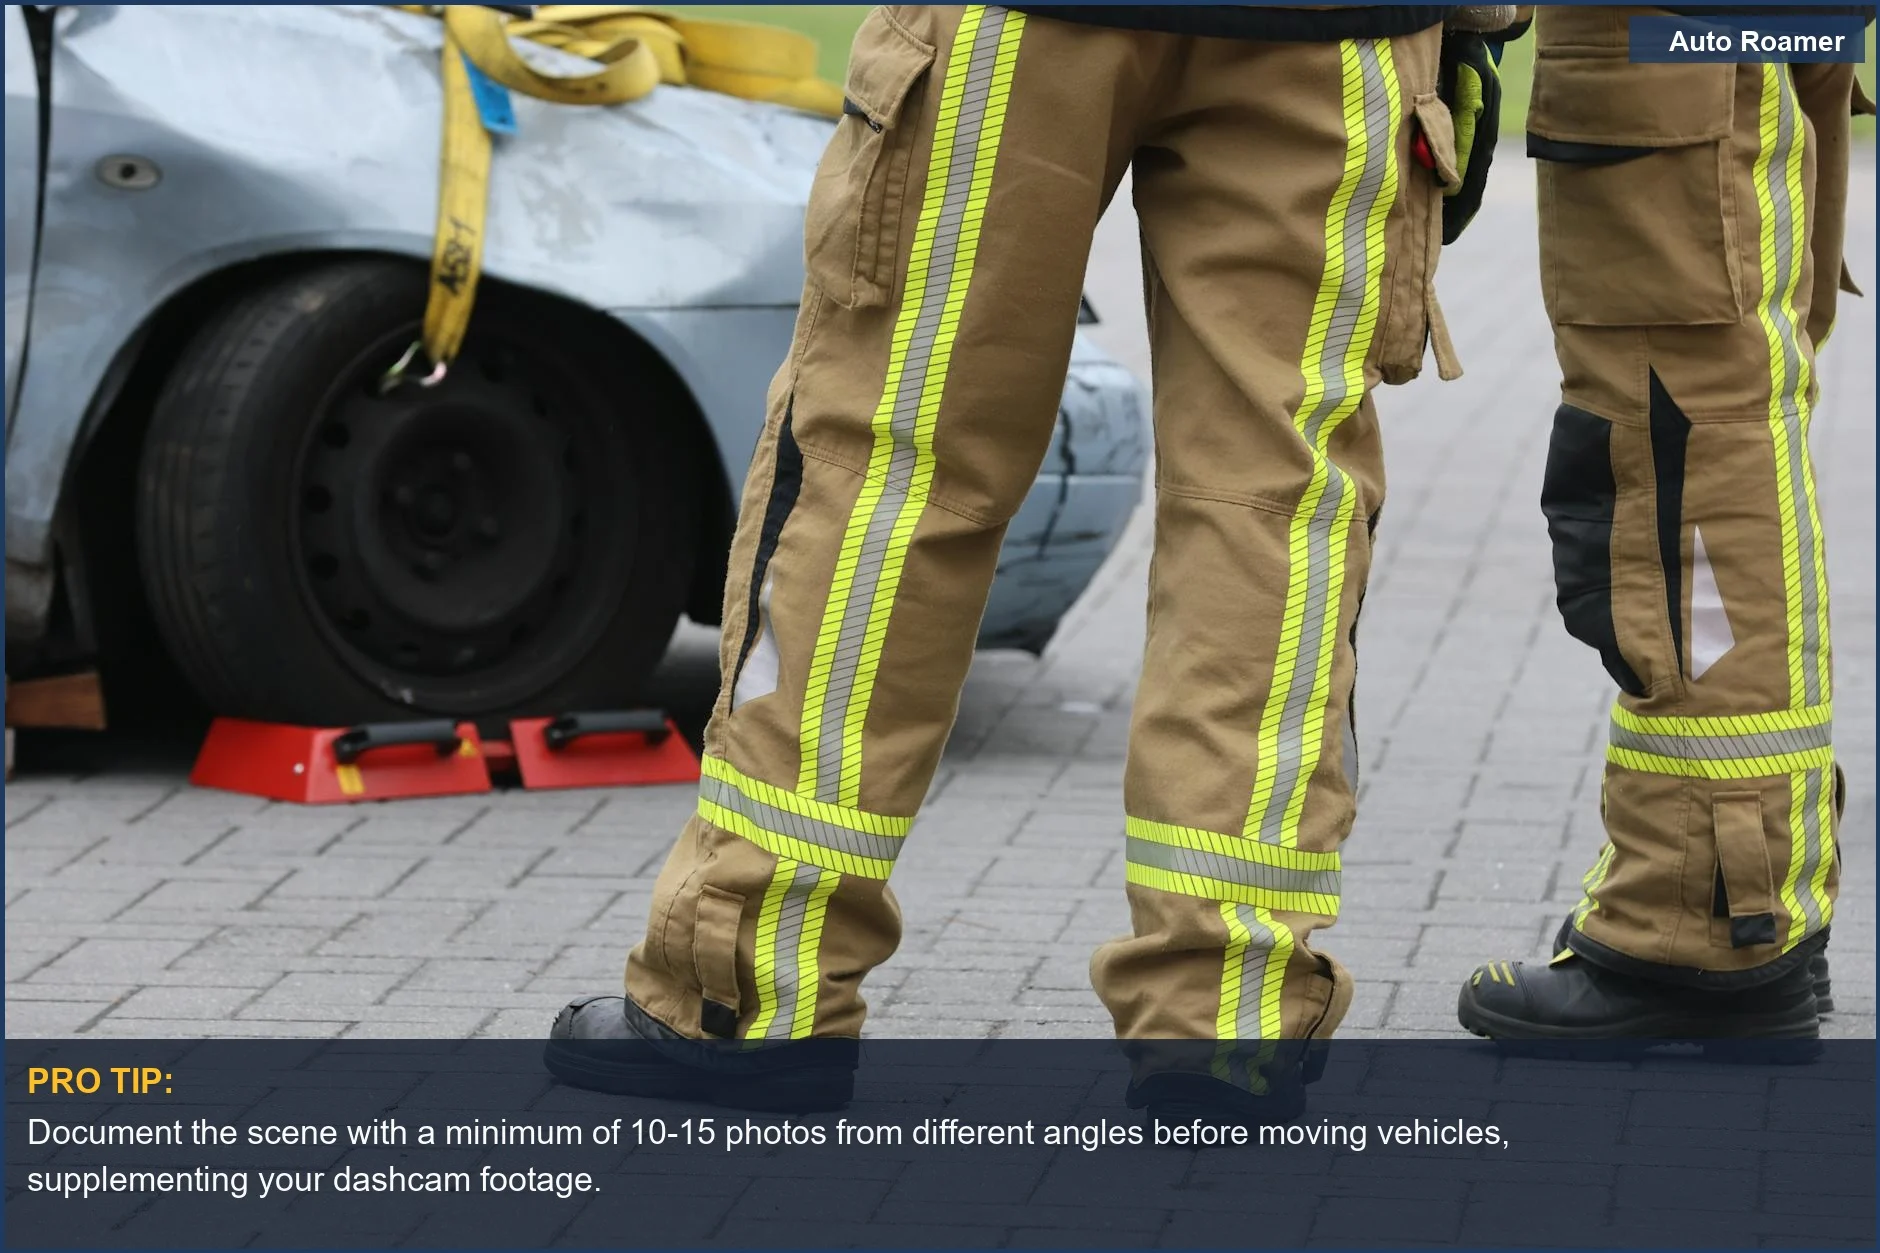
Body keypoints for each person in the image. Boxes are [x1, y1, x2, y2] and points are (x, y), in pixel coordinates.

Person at [545, 2, 1512, 1115]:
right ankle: (1227, 1021)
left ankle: (750, 982)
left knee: (892, 472)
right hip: (1334, 37)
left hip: (1021, 30)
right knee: (1271, 511)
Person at [1458, 4, 1870, 1042]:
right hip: (1702, 51)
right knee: (1712, 434)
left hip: (1664, 52)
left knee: (1681, 451)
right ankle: (1739, 899)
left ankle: (1701, 922)